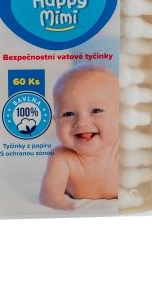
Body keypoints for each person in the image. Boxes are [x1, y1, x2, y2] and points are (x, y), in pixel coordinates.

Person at [39, 66, 119, 209]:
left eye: (96, 110)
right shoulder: (62, 158)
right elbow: (49, 192)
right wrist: (61, 205)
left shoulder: (124, 151)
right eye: (68, 114)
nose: (81, 122)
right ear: (55, 120)